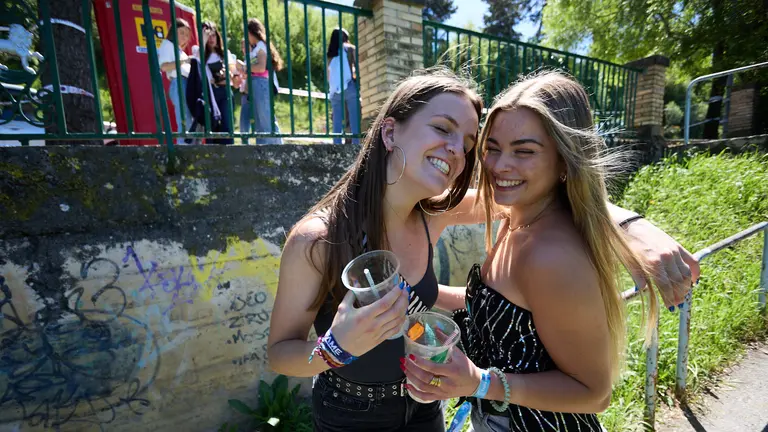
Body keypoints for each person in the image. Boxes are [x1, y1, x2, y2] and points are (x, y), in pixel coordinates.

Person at [267, 69, 698, 432]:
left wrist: (634, 227)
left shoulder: (430, 214)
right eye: (443, 129)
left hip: (426, 407)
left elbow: (554, 192)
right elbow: (279, 354)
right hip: (350, 414)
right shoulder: (318, 240)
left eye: (472, 142)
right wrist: (334, 348)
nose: (460, 152)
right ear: (390, 129)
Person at [401, 71, 692, 431]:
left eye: (524, 151)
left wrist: (479, 381)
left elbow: (594, 393)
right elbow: (501, 309)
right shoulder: (515, 213)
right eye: (492, 148)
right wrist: (415, 292)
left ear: (564, 161)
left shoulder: (550, 257)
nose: (499, 166)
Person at [238, 18, 284, 145]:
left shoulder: (260, 47)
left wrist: (244, 67)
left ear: (252, 32)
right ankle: (266, 150)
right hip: (257, 84)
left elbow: (261, 67)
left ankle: (275, 150)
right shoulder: (257, 48)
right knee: (261, 122)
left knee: (265, 122)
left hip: (261, 84)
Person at [197, 21, 236, 145]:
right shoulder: (199, 52)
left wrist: (225, 75)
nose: (211, 39)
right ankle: (211, 157)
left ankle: (229, 155)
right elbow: (197, 61)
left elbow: (233, 74)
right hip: (209, 93)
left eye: (213, 35)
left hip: (224, 92)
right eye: (208, 36)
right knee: (210, 126)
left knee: (227, 125)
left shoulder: (225, 53)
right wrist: (202, 40)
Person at [157, 18, 192, 144]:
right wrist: (185, 61)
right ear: (174, 32)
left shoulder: (180, 51)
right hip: (179, 83)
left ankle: (188, 151)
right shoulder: (167, 44)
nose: (185, 36)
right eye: (182, 32)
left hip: (186, 84)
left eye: (187, 34)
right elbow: (164, 66)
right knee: (184, 122)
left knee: (190, 122)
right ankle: (182, 153)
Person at [327, 28, 360, 145]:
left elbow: (328, 75)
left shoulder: (330, 54)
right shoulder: (350, 49)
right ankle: (356, 144)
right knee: (354, 118)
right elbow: (357, 67)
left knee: (337, 120)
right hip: (349, 86)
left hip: (334, 90)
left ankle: (337, 144)